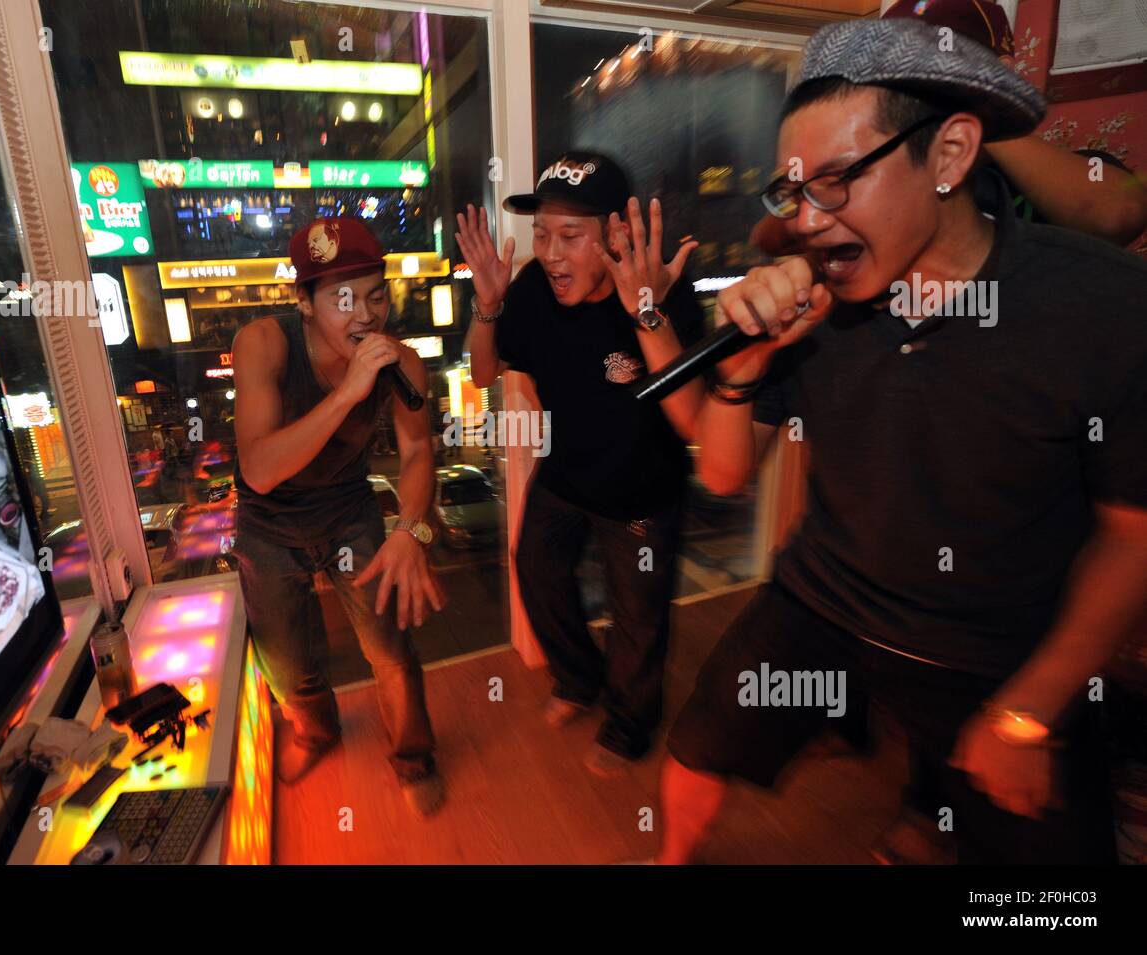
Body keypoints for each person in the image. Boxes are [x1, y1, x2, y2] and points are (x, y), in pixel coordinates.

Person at [656, 17, 1147, 864]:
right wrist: (746, 367)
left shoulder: (1100, 306)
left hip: (998, 649)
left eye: (839, 180)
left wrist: (1029, 710)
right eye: (794, 189)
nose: (807, 222)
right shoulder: (813, 300)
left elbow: (1133, 539)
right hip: (825, 603)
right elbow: (729, 474)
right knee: (698, 750)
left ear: (952, 156)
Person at [457, 151, 704, 776]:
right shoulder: (534, 292)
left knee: (639, 621)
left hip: (643, 494)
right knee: (535, 569)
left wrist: (647, 312)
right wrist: (488, 305)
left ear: (616, 236)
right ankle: (577, 679)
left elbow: (694, 421)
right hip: (566, 475)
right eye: (541, 234)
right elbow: (484, 369)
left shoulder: (666, 295)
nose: (551, 253)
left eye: (570, 236)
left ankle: (629, 724)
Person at [231, 216, 446, 816]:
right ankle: (318, 734)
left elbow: (419, 453)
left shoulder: (402, 361)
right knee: (289, 666)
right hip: (268, 523)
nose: (365, 315)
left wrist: (412, 531)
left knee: (392, 652)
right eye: (343, 299)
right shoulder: (263, 343)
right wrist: (348, 392)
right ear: (303, 301)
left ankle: (413, 755)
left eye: (377, 295)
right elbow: (260, 468)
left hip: (349, 510)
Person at [751, 0, 1147, 258]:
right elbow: (769, 238)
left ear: (1001, 71)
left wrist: (977, 112)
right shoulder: (886, 175)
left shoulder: (1073, 172)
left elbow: (1118, 215)